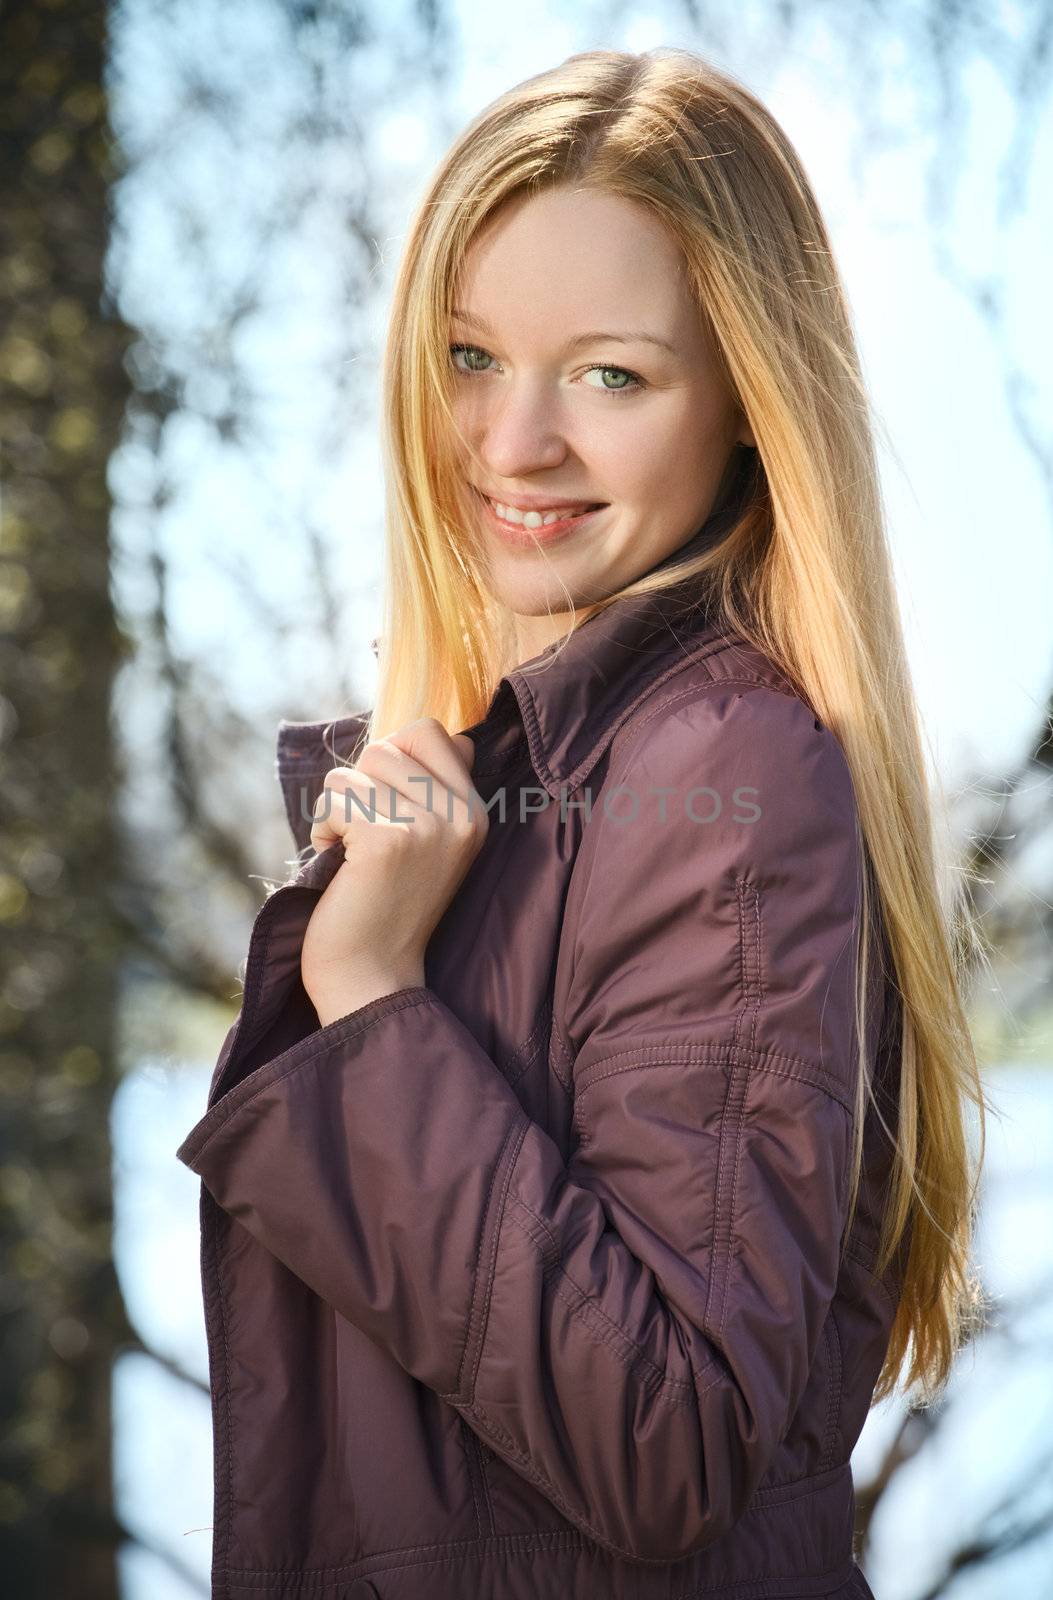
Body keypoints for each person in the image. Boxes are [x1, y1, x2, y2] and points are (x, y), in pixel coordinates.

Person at [176, 45, 989, 1600]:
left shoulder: (727, 778)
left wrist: (371, 1004)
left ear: (751, 402)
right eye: (471, 357)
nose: (510, 444)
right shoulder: (528, 767)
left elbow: (667, 1447)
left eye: (610, 373)